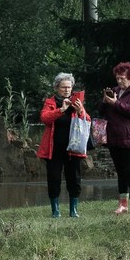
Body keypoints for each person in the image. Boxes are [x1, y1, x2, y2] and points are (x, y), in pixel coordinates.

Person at [36, 72, 89, 218]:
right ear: (56, 88)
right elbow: (45, 118)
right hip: (54, 149)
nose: (66, 90)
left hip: (73, 148)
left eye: (69, 87)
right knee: (54, 179)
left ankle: (74, 210)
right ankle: (55, 211)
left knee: (74, 179)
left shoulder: (77, 101)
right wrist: (61, 110)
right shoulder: (50, 102)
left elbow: (87, 120)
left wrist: (81, 111)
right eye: (63, 87)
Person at [99, 61, 130, 215]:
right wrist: (105, 101)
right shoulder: (114, 91)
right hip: (114, 137)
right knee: (120, 171)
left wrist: (116, 103)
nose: (119, 81)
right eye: (117, 78)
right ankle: (123, 204)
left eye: (122, 78)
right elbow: (102, 111)